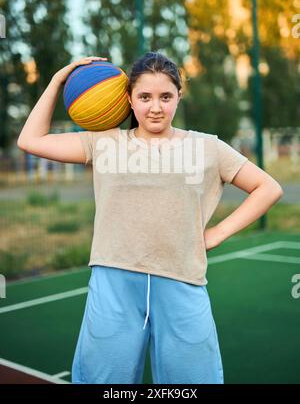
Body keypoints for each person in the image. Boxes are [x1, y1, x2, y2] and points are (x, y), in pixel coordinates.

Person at [17, 51, 284, 384]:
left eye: (165, 97)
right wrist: (59, 79)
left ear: (178, 98)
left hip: (182, 280)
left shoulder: (208, 148)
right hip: (114, 281)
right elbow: (30, 140)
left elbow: (267, 187)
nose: (155, 107)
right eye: (144, 97)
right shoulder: (104, 143)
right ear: (128, 99)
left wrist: (216, 233)